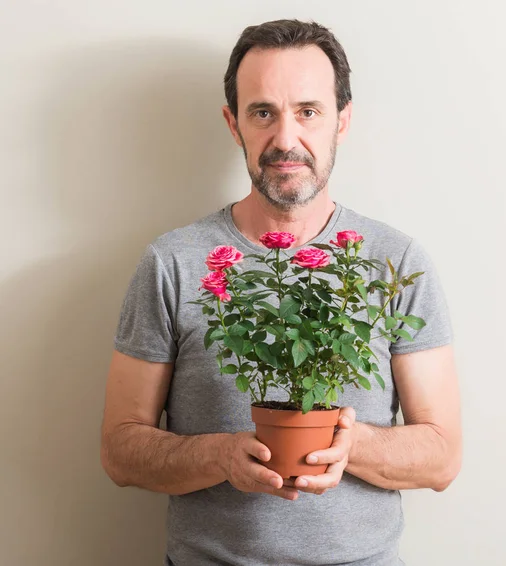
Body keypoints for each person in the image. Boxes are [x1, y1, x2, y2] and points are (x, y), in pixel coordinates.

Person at [100, 18, 462, 566]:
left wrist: (350, 443)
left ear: (342, 120)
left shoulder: (397, 261)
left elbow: (442, 456)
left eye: (308, 112)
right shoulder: (171, 263)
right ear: (233, 123)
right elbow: (121, 451)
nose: (285, 139)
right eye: (263, 112)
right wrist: (222, 455)